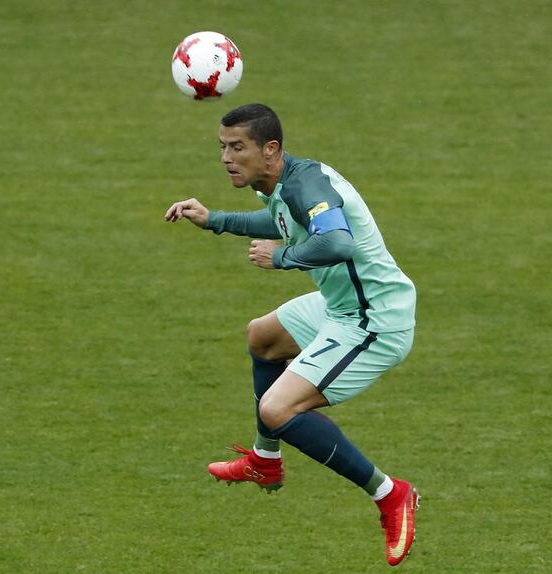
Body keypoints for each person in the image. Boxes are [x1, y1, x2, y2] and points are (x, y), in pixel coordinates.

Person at [164, 103, 420, 566]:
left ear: (271, 149)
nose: (226, 158)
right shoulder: (281, 183)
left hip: (373, 319)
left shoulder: (305, 184)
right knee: (262, 337)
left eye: (238, 147)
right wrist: (214, 219)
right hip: (339, 306)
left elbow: (337, 243)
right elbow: (281, 222)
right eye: (222, 147)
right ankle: (265, 461)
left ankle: (390, 493)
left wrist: (282, 258)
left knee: (278, 409)